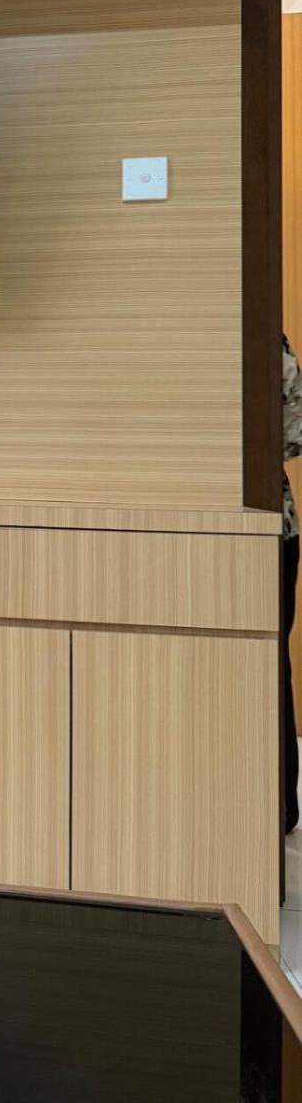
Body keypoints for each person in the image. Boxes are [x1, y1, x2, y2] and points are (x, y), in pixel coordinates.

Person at [284, 335, 302, 832]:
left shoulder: (269, 346)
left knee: (265, 658)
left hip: (270, 525)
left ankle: (281, 804)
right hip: (276, 526)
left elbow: (293, 437)